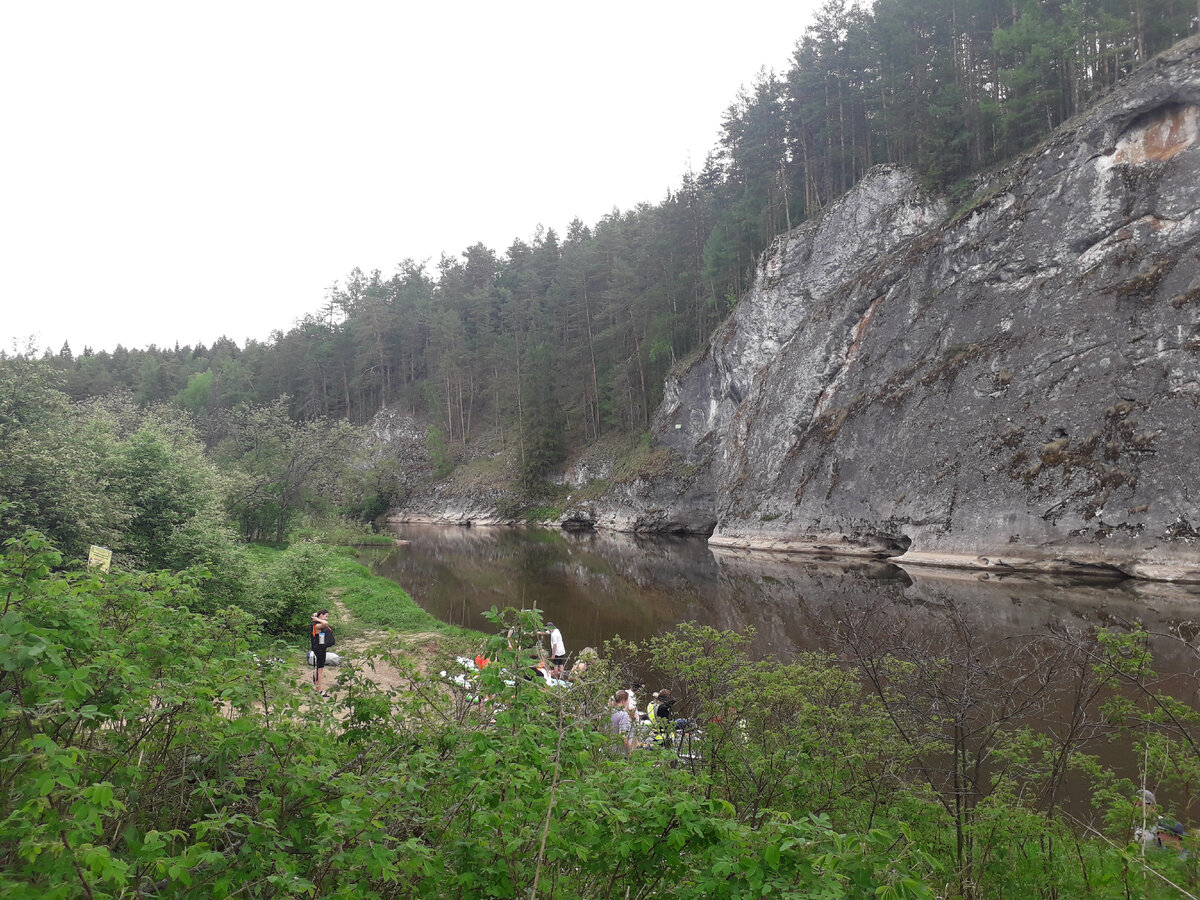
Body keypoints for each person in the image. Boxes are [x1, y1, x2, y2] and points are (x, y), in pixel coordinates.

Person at [310, 609, 334, 697]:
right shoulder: (317, 626)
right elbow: (325, 624)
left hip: (321, 648)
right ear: (321, 616)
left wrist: (316, 617)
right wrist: (317, 619)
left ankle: (317, 688)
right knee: (320, 670)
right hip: (319, 650)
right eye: (325, 616)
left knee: (319, 669)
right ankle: (319, 690)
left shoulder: (317, 623)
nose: (326, 618)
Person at [609, 690, 634, 755]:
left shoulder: (607, 713)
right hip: (619, 752)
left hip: (607, 750)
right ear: (623, 701)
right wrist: (631, 751)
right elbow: (623, 735)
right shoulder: (623, 715)